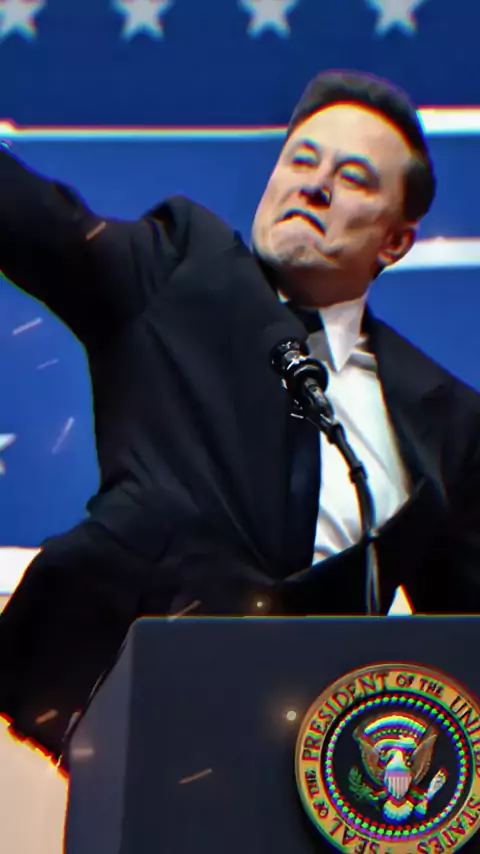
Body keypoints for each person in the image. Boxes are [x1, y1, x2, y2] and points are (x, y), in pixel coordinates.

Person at [1, 70, 479, 758]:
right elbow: (36, 222)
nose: (314, 187)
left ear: (395, 241)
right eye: (301, 161)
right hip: (135, 724)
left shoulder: (446, 421)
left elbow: (466, 640)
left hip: (329, 763)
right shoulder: (178, 272)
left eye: (353, 179)